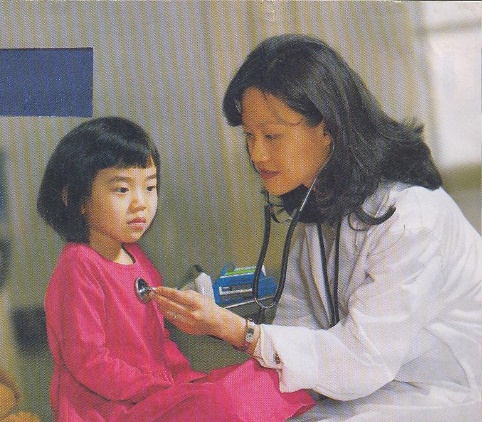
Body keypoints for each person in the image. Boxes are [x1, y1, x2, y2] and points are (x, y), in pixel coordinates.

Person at [152, 34, 481, 421]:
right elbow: (299, 326)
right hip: (372, 388)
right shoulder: (319, 211)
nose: (257, 154)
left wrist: (238, 331)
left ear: (327, 129)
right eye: (249, 136)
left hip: (446, 390)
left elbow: (363, 360)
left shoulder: (412, 217)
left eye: (272, 135)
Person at [36, 116, 314, 421]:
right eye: (122, 189)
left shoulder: (136, 257)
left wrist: (185, 382)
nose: (141, 203)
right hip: (111, 408)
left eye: (150, 187)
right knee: (221, 401)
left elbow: (160, 341)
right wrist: (164, 391)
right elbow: (89, 362)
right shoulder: (78, 265)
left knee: (270, 378)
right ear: (74, 198)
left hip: (155, 392)